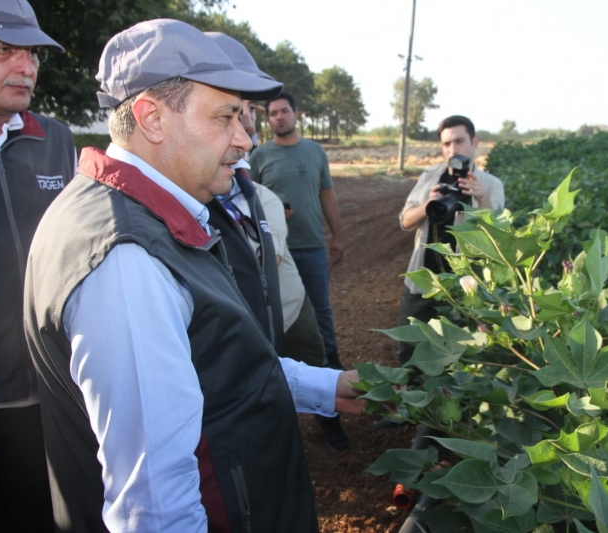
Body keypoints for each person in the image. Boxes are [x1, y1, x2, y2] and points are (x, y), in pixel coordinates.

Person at [23, 19, 364, 532]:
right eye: (226, 117)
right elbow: (155, 506)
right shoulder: (126, 260)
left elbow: (213, 364)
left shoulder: (149, 218)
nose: (245, 139)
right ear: (152, 119)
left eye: (245, 119)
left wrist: (327, 384)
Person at [205, 31, 350, 452]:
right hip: (244, 309)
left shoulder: (260, 184)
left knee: (313, 343)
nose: (245, 126)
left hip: (289, 297)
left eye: (246, 112)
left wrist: (330, 234)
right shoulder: (206, 180)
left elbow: (325, 196)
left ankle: (330, 421)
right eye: (231, 113)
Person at [0, 1, 74, 531]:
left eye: (32, 52)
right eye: (3, 48)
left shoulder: (55, 141)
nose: (26, 66)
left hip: (46, 401)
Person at [396, 115, 505, 367]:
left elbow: (498, 237)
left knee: (462, 357)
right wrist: (428, 204)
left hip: (466, 286)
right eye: (446, 144)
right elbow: (405, 221)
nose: (453, 150)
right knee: (410, 351)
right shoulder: (431, 176)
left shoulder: (490, 185)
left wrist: (481, 200)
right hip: (423, 281)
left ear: (474, 142)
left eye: (459, 141)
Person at [250, 91, 345, 370]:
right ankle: (285, 369)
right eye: (273, 114)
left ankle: (332, 365)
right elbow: (250, 199)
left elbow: (327, 195)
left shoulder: (315, 151)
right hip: (279, 252)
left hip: (313, 245)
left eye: (284, 111)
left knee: (321, 310)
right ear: (268, 120)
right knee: (282, 312)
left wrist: (337, 236)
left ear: (296, 114)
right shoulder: (259, 156)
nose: (279, 117)